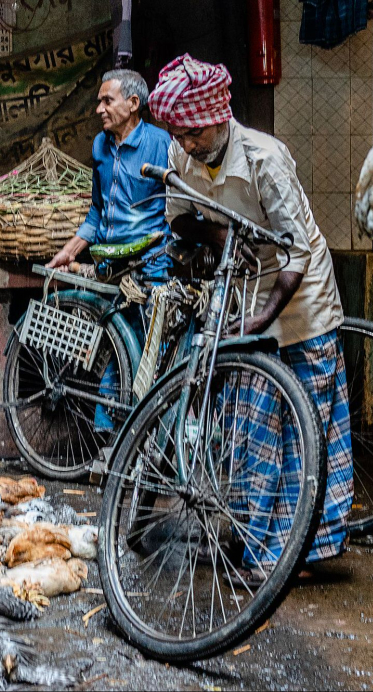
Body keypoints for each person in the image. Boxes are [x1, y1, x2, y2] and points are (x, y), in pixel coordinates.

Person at [149, 53, 352, 570]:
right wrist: (220, 233)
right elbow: (178, 220)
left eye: (193, 133)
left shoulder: (266, 158)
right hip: (239, 282)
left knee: (302, 430)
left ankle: (298, 553)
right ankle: (257, 541)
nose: (185, 144)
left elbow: (296, 251)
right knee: (253, 428)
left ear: (219, 117)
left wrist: (263, 318)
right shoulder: (182, 154)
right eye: (179, 134)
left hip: (297, 294)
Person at [46, 68, 172, 280]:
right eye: (99, 101)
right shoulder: (99, 145)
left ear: (133, 103)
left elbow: (178, 208)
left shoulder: (161, 145)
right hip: (107, 264)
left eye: (107, 101)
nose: (99, 110)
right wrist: (69, 251)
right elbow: (98, 208)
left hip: (151, 266)